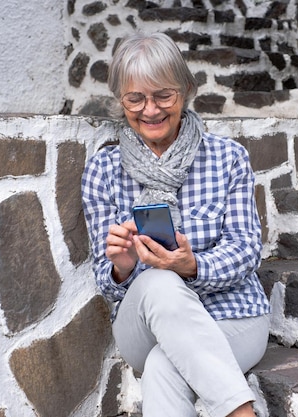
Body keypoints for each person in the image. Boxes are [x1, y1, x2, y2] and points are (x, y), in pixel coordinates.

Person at [81, 32, 271, 417]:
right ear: (121, 100)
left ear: (185, 91)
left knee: (164, 368)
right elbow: (105, 280)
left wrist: (193, 266)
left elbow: (247, 248)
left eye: (163, 96)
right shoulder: (103, 169)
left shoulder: (227, 157)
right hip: (143, 324)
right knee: (159, 280)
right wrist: (122, 265)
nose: (150, 110)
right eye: (136, 98)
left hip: (233, 315)